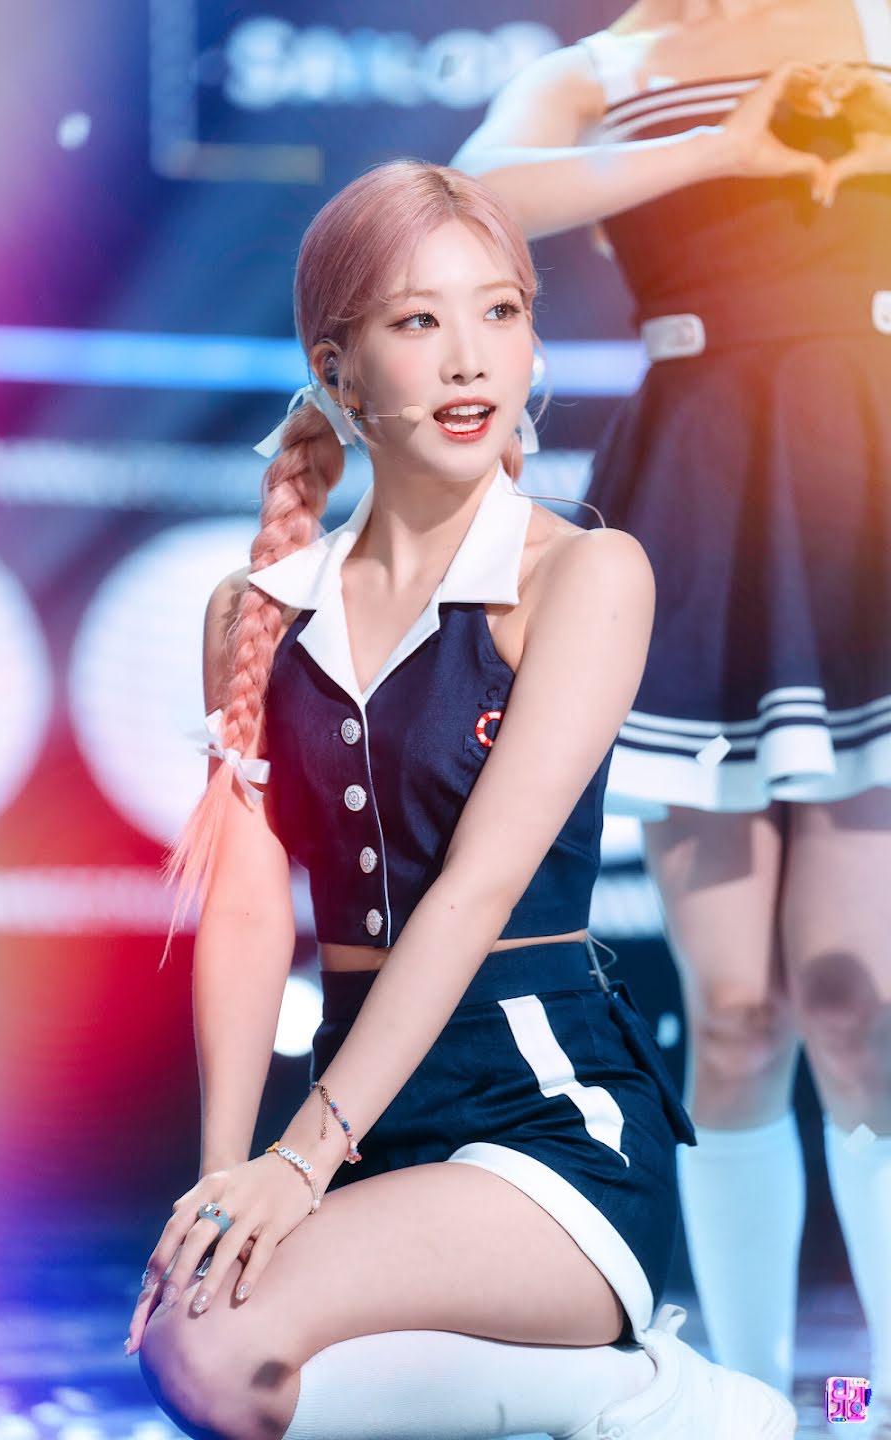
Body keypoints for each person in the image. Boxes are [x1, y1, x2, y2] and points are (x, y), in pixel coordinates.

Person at [120, 159, 797, 1440]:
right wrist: (224, 1176)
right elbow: (250, 911)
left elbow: (478, 890)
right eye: (419, 320)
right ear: (339, 370)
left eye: (501, 311)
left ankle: (655, 1392)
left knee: (205, 1347)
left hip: (549, 1120)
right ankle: (605, 1401)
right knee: (209, 1349)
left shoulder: (585, 573)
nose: (470, 358)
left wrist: (300, 1160)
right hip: (364, 1122)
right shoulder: (254, 612)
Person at [451, 0, 891, 1425]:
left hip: (866, 469)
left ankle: (875, 1398)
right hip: (704, 487)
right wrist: (726, 144)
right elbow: (475, 197)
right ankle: (754, 1401)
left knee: (859, 1000)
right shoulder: (604, 70)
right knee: (739, 1011)